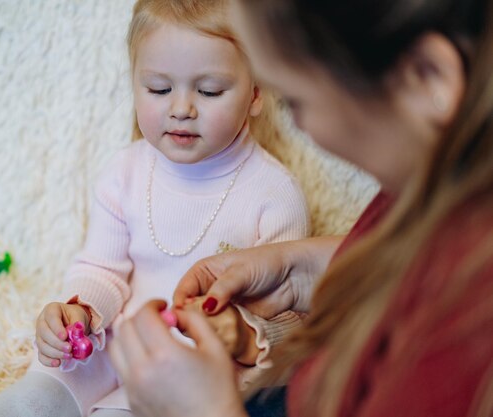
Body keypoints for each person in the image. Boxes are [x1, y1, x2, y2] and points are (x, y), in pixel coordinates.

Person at [109, 0, 493, 416]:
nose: (301, 127)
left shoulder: (464, 329)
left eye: (295, 100)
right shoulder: (436, 184)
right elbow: (417, 261)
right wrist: (308, 268)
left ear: (427, 77)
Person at [0, 1, 310, 416]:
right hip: (114, 342)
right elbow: (102, 269)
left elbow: (291, 321)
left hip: (195, 372)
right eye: (158, 88)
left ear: (257, 92)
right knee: (41, 392)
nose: (181, 108)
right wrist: (80, 312)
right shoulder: (125, 171)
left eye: (209, 91)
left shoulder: (273, 194)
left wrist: (245, 335)